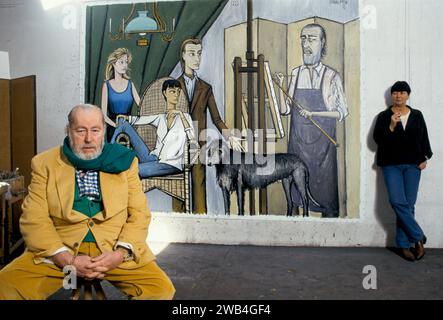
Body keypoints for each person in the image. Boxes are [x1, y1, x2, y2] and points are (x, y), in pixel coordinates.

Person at [0, 104, 175, 299]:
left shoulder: (125, 161)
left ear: (104, 131)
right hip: (60, 251)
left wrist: (119, 253)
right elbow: (34, 217)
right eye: (80, 130)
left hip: (113, 250)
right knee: (5, 286)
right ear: (68, 130)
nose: (89, 139)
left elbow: (139, 214)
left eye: (95, 130)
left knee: (160, 290)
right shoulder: (44, 163)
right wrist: (65, 259)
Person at [276, 23, 349, 217]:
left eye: (312, 39)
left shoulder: (331, 76)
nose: (306, 44)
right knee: (296, 198)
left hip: (323, 152)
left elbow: (341, 112)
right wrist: (280, 88)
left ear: (322, 43)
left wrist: (314, 114)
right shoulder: (295, 73)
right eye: (303, 38)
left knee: (326, 200)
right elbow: (285, 111)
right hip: (298, 149)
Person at [177, 38, 243, 214]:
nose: (197, 58)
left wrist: (229, 136)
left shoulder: (206, 88)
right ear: (183, 56)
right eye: (192, 53)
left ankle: (200, 226)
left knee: (199, 191)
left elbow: (217, 119)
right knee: (178, 194)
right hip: (177, 146)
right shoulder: (173, 86)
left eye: (199, 53)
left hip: (199, 146)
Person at [373, 81, 432, 261]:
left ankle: (404, 245)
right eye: (395, 92)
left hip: (413, 165)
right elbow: (377, 140)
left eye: (402, 92)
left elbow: (424, 137)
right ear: (392, 96)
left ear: (408, 95)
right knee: (398, 202)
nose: (398, 95)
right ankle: (418, 237)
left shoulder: (417, 115)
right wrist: (391, 126)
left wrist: (425, 156)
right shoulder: (384, 116)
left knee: (408, 204)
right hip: (391, 164)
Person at [111, 79, 197, 178]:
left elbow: (192, 139)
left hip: (171, 164)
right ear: (165, 93)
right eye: (172, 91)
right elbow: (140, 119)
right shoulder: (160, 118)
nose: (176, 95)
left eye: (178, 92)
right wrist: (127, 118)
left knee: (132, 171)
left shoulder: (186, 117)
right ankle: (108, 154)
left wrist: (181, 115)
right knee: (123, 123)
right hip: (153, 158)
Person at [101, 47, 141, 142]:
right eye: (121, 62)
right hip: (113, 127)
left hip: (129, 126)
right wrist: (116, 126)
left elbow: (142, 107)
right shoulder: (106, 85)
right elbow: (103, 115)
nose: (125, 65)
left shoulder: (130, 84)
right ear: (114, 64)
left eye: (126, 62)